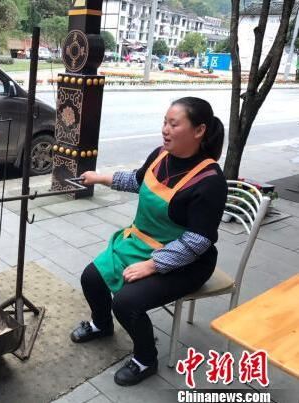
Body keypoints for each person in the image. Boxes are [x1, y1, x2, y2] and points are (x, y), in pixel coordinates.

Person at [70, 97, 227, 387]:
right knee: (91, 277)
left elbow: (197, 241)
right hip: (142, 242)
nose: (165, 130)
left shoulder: (210, 180)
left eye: (174, 123)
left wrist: (152, 265)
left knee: (127, 302)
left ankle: (145, 359)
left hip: (189, 261)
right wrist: (99, 177)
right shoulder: (160, 155)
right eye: (164, 122)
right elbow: (137, 181)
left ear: (199, 130)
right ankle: (101, 325)